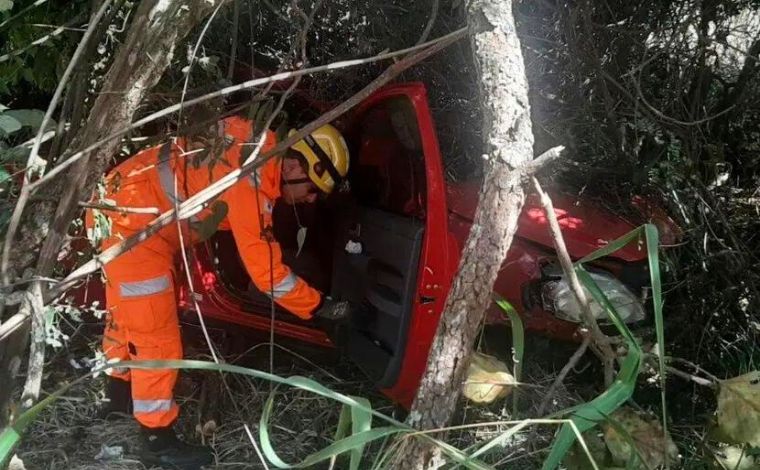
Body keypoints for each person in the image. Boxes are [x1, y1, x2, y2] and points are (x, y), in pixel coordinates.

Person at [85, 113, 350, 469]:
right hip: (132, 228)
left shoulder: (255, 142)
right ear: (292, 166)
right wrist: (319, 308)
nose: (311, 200)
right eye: (313, 189)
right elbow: (267, 274)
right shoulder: (252, 179)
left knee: (126, 316)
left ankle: (117, 397)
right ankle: (156, 440)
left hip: (119, 210)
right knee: (155, 336)